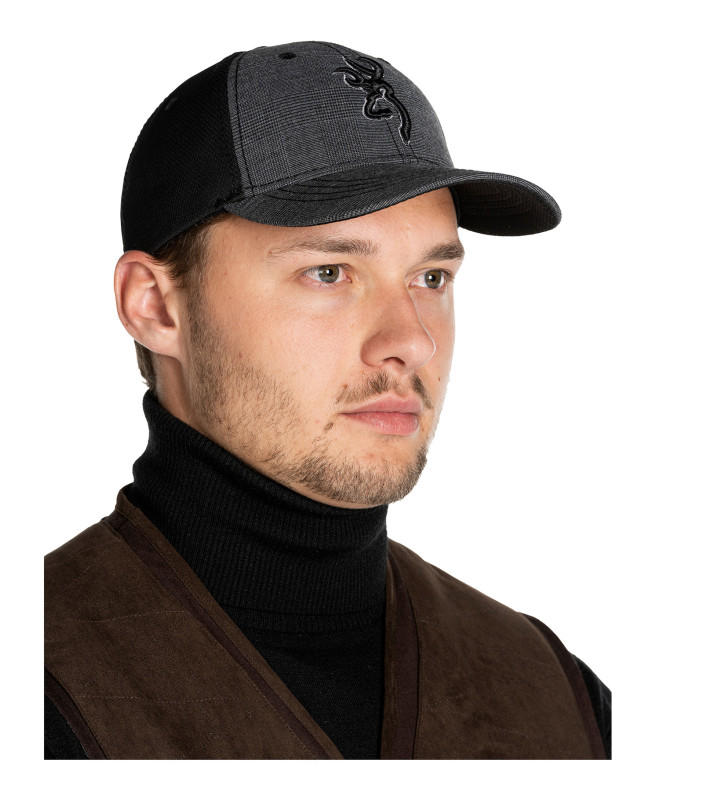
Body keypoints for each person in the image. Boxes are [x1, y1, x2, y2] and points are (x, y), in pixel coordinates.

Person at [44, 40, 611, 760]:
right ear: (155, 306)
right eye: (330, 272)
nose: (412, 341)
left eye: (431, 278)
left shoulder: (557, 694)